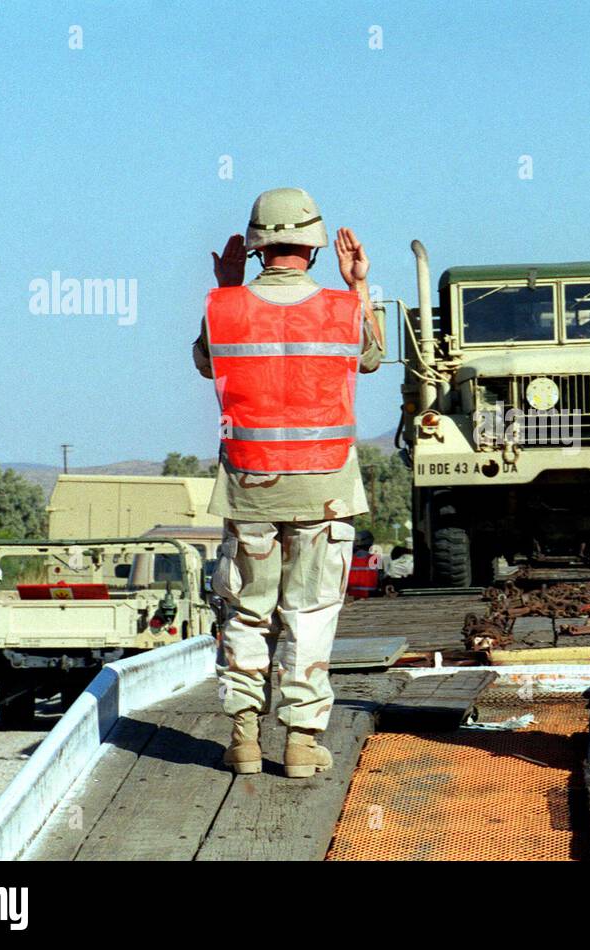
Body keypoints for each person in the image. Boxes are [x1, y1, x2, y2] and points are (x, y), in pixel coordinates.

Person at [194, 187, 383, 778]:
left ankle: (243, 738)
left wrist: (228, 287)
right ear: (315, 244)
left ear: (255, 246)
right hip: (325, 488)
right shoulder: (341, 307)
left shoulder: (222, 307)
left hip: (250, 487)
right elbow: (372, 358)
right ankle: (301, 742)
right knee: (310, 613)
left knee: (247, 611)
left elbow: (207, 363)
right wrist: (359, 287)